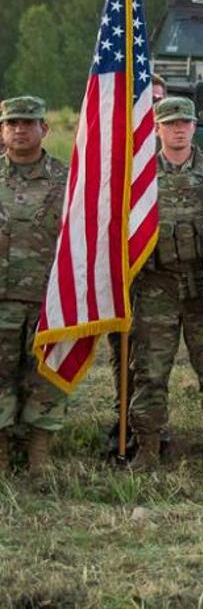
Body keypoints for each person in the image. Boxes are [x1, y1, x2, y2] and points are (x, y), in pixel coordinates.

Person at [126, 97, 203, 475]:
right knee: (149, 371)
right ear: (157, 129)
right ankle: (148, 448)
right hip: (156, 286)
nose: (178, 129)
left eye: (185, 123)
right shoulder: (138, 179)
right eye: (170, 123)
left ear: (195, 127)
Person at [0, 96, 69, 477]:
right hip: (2, 298)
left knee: (46, 377)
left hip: (51, 301)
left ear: (45, 128)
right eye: (12, 124)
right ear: (2, 130)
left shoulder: (67, 180)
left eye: (28, 123)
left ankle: (40, 456)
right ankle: (3, 454)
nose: (20, 130)